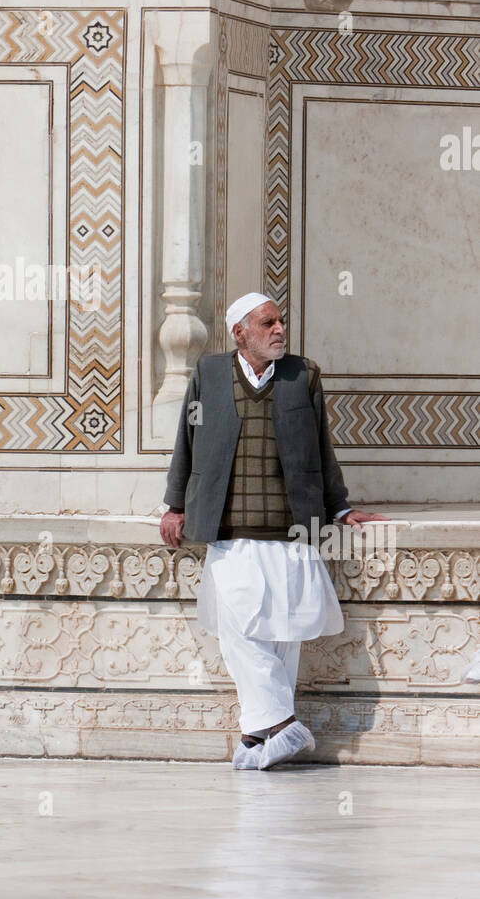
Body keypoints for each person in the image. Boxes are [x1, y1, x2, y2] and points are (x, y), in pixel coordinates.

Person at [160, 292, 389, 770]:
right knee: (239, 628)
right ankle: (285, 725)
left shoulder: (302, 376)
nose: (280, 329)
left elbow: (322, 448)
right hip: (230, 530)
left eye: (281, 321)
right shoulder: (210, 375)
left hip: (292, 529)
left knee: (284, 635)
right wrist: (175, 504)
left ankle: (256, 737)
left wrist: (341, 507)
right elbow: (186, 439)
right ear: (240, 332)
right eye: (268, 323)